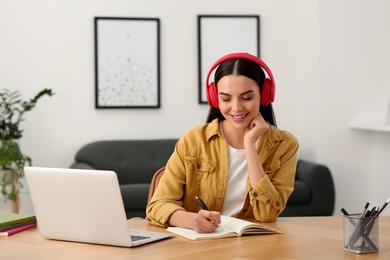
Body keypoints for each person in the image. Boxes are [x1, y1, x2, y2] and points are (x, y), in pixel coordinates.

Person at [146, 52, 299, 233]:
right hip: (200, 245)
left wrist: (250, 146)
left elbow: (267, 214)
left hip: (254, 245)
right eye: (226, 98)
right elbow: (157, 205)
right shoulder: (193, 140)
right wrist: (193, 220)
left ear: (264, 95)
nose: (236, 107)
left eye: (247, 97)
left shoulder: (285, 144)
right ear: (214, 98)